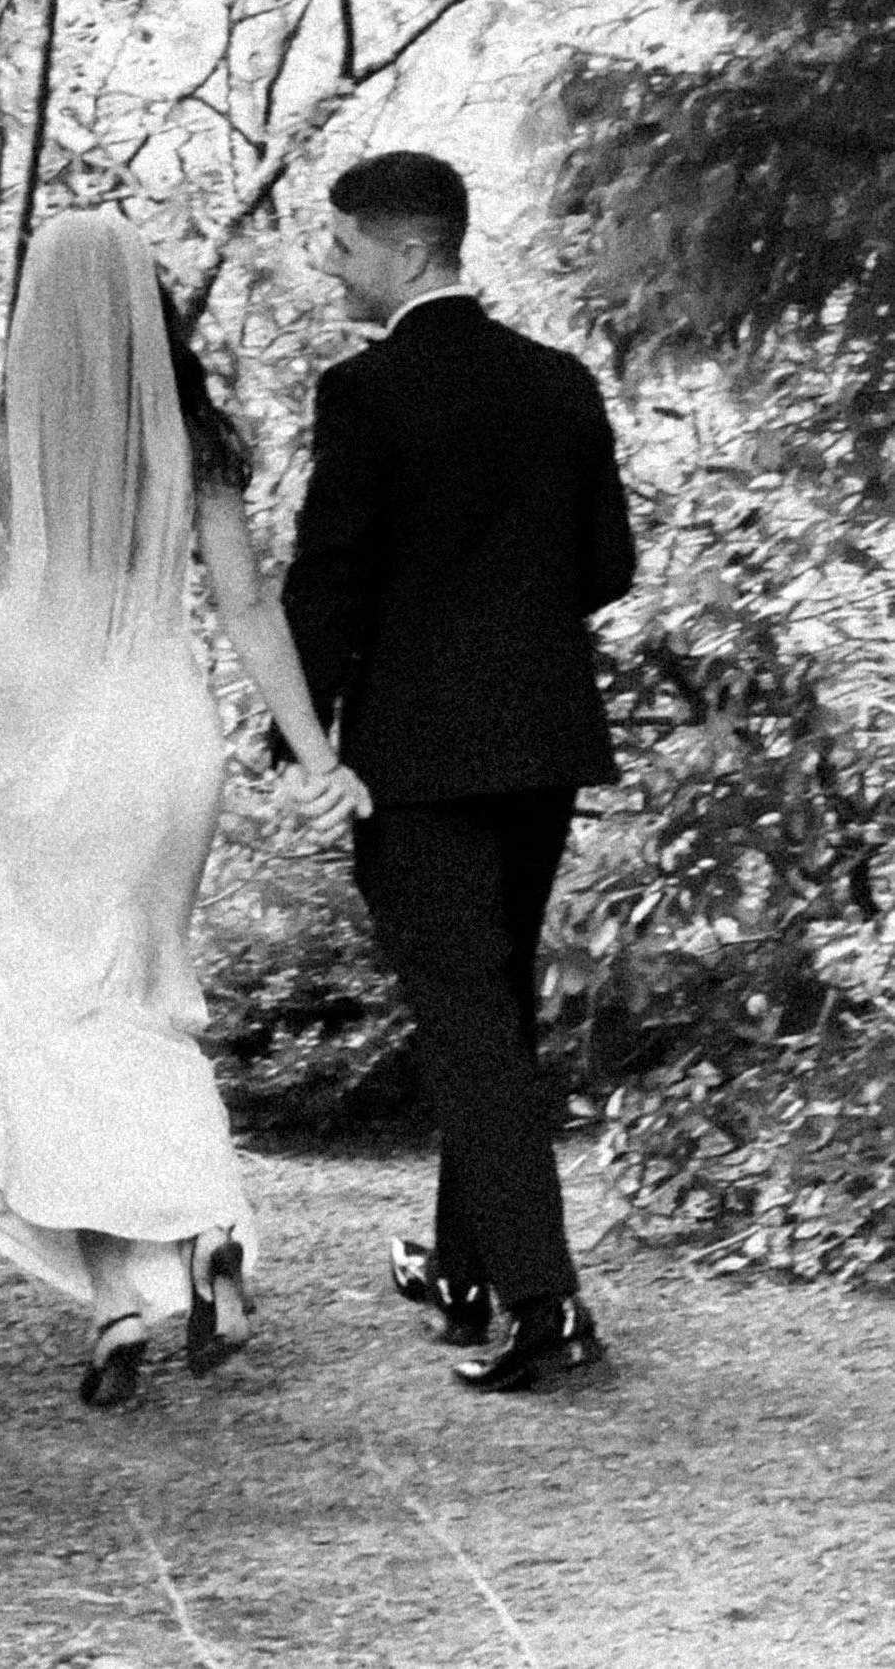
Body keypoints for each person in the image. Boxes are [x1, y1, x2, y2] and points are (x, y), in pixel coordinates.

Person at [0, 208, 368, 1410]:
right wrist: (319, 753)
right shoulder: (193, 438)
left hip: (51, 734)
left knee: (36, 1008)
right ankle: (201, 1233)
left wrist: (9, 675)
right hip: (171, 736)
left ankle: (125, 1293)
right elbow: (247, 608)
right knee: (143, 994)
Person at [273, 151, 635, 1392]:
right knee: (491, 1004)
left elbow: (328, 577)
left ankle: (548, 1306)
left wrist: (304, 742)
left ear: (408, 251)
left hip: (414, 755)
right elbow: (607, 565)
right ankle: (465, 1273)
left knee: (470, 1014)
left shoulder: (365, 393)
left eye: (341, 245)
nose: (330, 267)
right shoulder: (560, 382)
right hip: (539, 744)